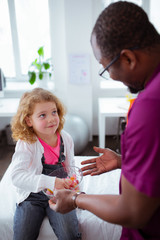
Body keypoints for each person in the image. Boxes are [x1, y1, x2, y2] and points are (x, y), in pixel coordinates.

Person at [49, 1, 160, 239]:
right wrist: (125, 161)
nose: (110, 75)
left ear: (129, 58)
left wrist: (77, 199)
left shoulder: (150, 107)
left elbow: (133, 211)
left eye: (106, 67)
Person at [10, 88, 81, 240]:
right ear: (29, 121)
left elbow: (70, 166)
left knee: (70, 235)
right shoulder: (27, 143)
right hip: (31, 195)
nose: (51, 119)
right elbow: (16, 176)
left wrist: (73, 182)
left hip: (58, 193)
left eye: (54, 112)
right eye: (42, 115)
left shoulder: (66, 138)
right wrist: (52, 181)